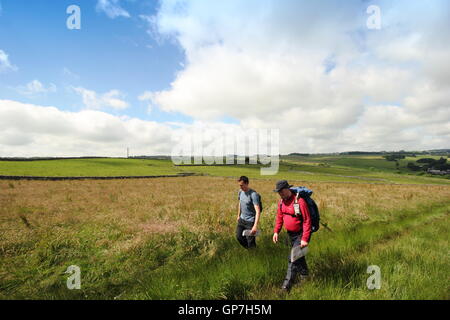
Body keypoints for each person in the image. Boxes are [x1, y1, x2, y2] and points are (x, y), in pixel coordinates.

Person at [272, 180, 312, 291]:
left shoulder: (299, 201)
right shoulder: (281, 202)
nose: (280, 194)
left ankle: (286, 288)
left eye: (281, 191)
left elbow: (307, 220)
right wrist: (276, 232)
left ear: (287, 189)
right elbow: (280, 218)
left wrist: (305, 238)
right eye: (278, 192)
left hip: (300, 234)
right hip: (291, 235)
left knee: (293, 259)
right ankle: (305, 277)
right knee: (299, 256)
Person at [236, 176, 261, 249]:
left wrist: (255, 226)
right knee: (238, 237)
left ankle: (253, 254)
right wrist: (238, 215)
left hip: (250, 222)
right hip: (242, 220)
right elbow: (240, 203)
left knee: (251, 242)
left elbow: (258, 211)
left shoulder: (253, 194)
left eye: (241, 185)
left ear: (247, 183)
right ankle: (248, 250)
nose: (240, 187)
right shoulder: (240, 192)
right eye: (239, 185)